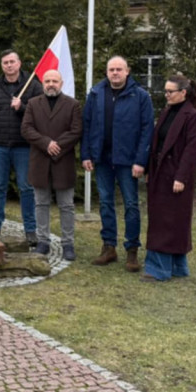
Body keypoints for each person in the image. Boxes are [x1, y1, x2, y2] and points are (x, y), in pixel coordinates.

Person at [81, 55, 154, 270]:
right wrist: (86, 154)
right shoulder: (95, 94)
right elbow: (87, 126)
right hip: (102, 159)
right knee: (105, 203)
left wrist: (141, 161)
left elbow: (146, 131)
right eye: (111, 69)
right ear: (106, 72)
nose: (115, 73)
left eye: (119, 69)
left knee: (131, 205)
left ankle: (132, 251)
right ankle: (108, 247)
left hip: (128, 161)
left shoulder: (140, 96)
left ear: (127, 71)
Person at [142, 74, 196, 283]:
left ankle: (159, 269)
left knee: (171, 222)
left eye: (170, 91)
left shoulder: (192, 116)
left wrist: (181, 177)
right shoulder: (168, 111)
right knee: (162, 220)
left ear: (183, 93)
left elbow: (190, 151)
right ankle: (176, 267)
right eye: (165, 91)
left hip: (176, 176)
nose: (166, 95)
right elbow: (157, 142)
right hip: (160, 173)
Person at [0, 49, 42, 246]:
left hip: (23, 146)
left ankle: (30, 229)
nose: (9, 65)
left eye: (12, 61)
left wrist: (22, 107)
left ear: (19, 63)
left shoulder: (32, 85)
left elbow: (41, 113)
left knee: (26, 187)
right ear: (2, 65)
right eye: (5, 62)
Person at [20, 69, 82, 261]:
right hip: (40, 161)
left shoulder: (72, 105)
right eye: (47, 81)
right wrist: (46, 143)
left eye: (54, 80)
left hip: (63, 161)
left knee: (66, 205)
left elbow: (76, 130)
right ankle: (43, 241)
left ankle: (67, 243)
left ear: (61, 83)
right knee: (40, 203)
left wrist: (58, 145)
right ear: (42, 83)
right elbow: (26, 129)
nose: (51, 84)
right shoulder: (32, 104)